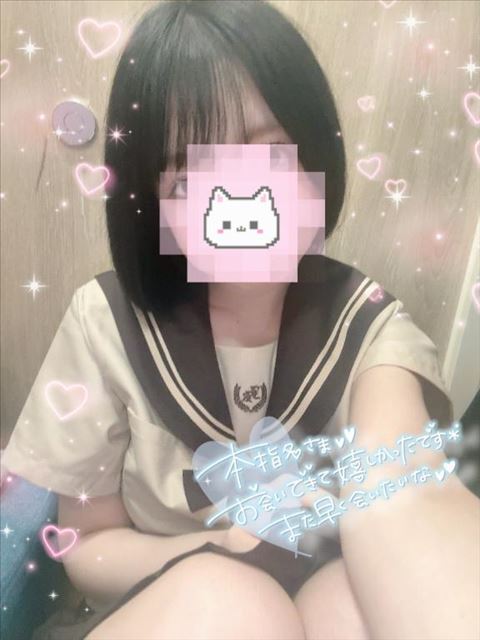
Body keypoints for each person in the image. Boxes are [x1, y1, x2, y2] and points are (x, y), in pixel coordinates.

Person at [2, 2, 478, 639]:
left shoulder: (365, 325)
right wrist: (222, 550)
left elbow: (403, 488)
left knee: (345, 599)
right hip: (157, 605)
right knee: (233, 603)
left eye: (272, 154)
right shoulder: (106, 322)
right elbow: (85, 546)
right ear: (151, 200)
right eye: (189, 176)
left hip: (316, 606)